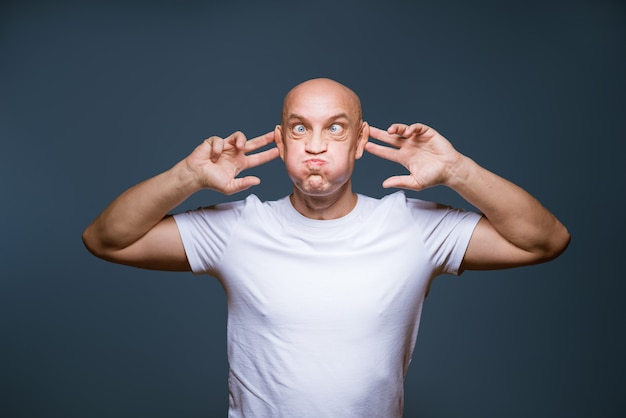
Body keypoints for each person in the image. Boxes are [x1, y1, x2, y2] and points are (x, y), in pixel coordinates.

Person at [82, 78, 570, 417]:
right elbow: (104, 238)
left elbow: (546, 240)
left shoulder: (413, 227)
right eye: (300, 127)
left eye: (335, 128)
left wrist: (458, 171)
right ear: (281, 140)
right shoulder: (238, 227)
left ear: (359, 141)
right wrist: (187, 176)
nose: (316, 144)